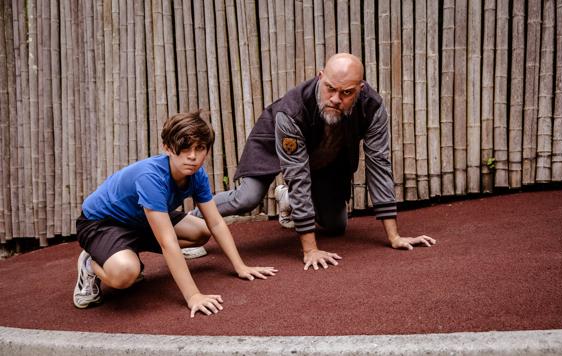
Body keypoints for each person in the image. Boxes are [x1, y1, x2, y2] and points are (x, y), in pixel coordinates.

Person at [192, 53, 436, 271]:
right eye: (329, 88)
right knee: (248, 197)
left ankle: (287, 199)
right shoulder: (292, 109)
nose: (335, 99)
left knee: (335, 225)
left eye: (346, 93)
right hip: (273, 140)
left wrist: (394, 237)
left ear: (360, 89)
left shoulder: (372, 108)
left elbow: (379, 165)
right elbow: (298, 175)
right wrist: (310, 250)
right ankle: (191, 218)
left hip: (324, 154)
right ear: (320, 77)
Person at [73, 111, 277, 317]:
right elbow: (168, 242)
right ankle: (90, 264)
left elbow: (215, 222)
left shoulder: (197, 174)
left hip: (142, 218)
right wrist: (193, 296)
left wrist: (241, 267)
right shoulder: (151, 177)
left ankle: (125, 251)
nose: (192, 156)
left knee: (202, 232)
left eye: (200, 148)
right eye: (185, 148)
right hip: (102, 222)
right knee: (126, 274)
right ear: (168, 148)